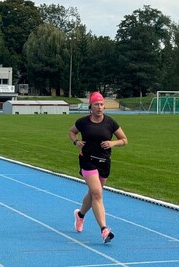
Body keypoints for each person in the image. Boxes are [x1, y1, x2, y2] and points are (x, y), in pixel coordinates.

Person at [68, 92, 128, 243]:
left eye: (101, 104)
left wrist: (112, 143)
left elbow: (124, 140)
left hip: (104, 162)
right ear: (91, 106)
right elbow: (71, 132)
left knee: (94, 193)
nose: (100, 107)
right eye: (96, 104)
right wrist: (76, 142)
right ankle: (104, 229)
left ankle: (80, 215)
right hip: (87, 160)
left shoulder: (110, 123)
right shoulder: (83, 122)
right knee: (97, 194)